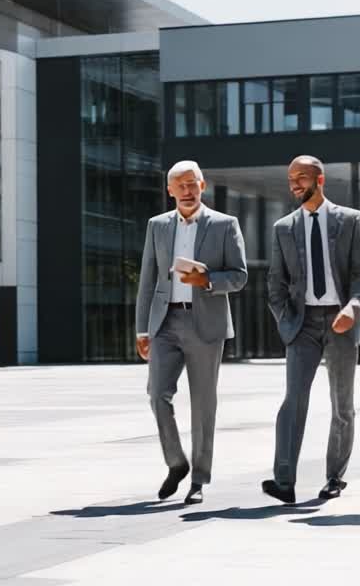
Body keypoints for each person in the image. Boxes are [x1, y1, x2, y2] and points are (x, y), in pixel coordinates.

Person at [261, 156, 360, 505]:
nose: (295, 184)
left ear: (319, 180)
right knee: (293, 402)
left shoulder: (350, 220)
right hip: (302, 324)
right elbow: (275, 283)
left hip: (341, 321)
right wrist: (285, 320)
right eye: (291, 178)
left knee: (342, 405)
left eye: (302, 177)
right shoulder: (283, 228)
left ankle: (334, 477)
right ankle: (284, 482)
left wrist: (352, 307)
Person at [135, 160, 248, 505]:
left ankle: (199, 479)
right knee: (157, 393)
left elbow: (240, 276)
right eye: (179, 185)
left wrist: (209, 280)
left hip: (205, 323)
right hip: (165, 323)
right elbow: (148, 279)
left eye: (191, 184)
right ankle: (176, 462)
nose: (186, 190)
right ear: (169, 190)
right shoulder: (156, 226)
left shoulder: (225, 225)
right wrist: (142, 329)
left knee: (203, 404)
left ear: (203, 186)